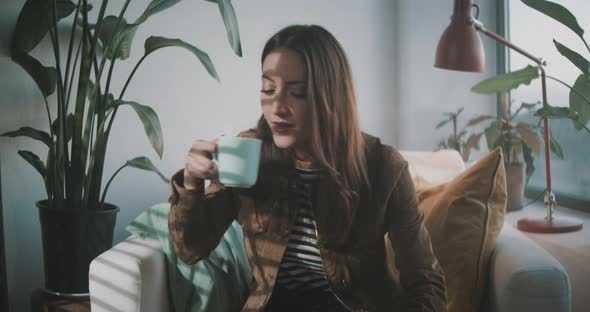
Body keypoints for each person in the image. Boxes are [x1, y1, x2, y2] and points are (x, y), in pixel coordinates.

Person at [168, 24, 447, 312]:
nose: (277, 107)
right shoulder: (249, 154)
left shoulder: (384, 168)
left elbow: (425, 280)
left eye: (297, 93)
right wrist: (191, 184)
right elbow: (190, 250)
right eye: (268, 89)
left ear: (331, 96)